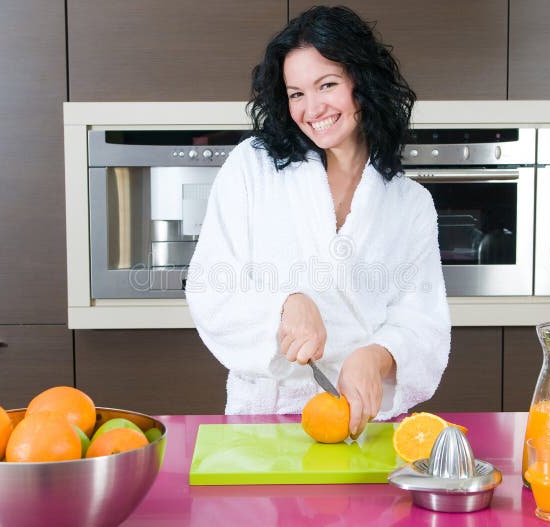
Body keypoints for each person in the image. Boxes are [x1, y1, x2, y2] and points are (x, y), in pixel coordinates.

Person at [185, 5, 451, 438]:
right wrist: (286, 304)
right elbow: (209, 285)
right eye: (296, 94)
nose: (312, 108)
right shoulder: (253, 167)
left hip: (363, 420)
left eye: (327, 85)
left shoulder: (410, 203)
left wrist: (378, 355)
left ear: (362, 84)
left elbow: (423, 322)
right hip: (263, 424)